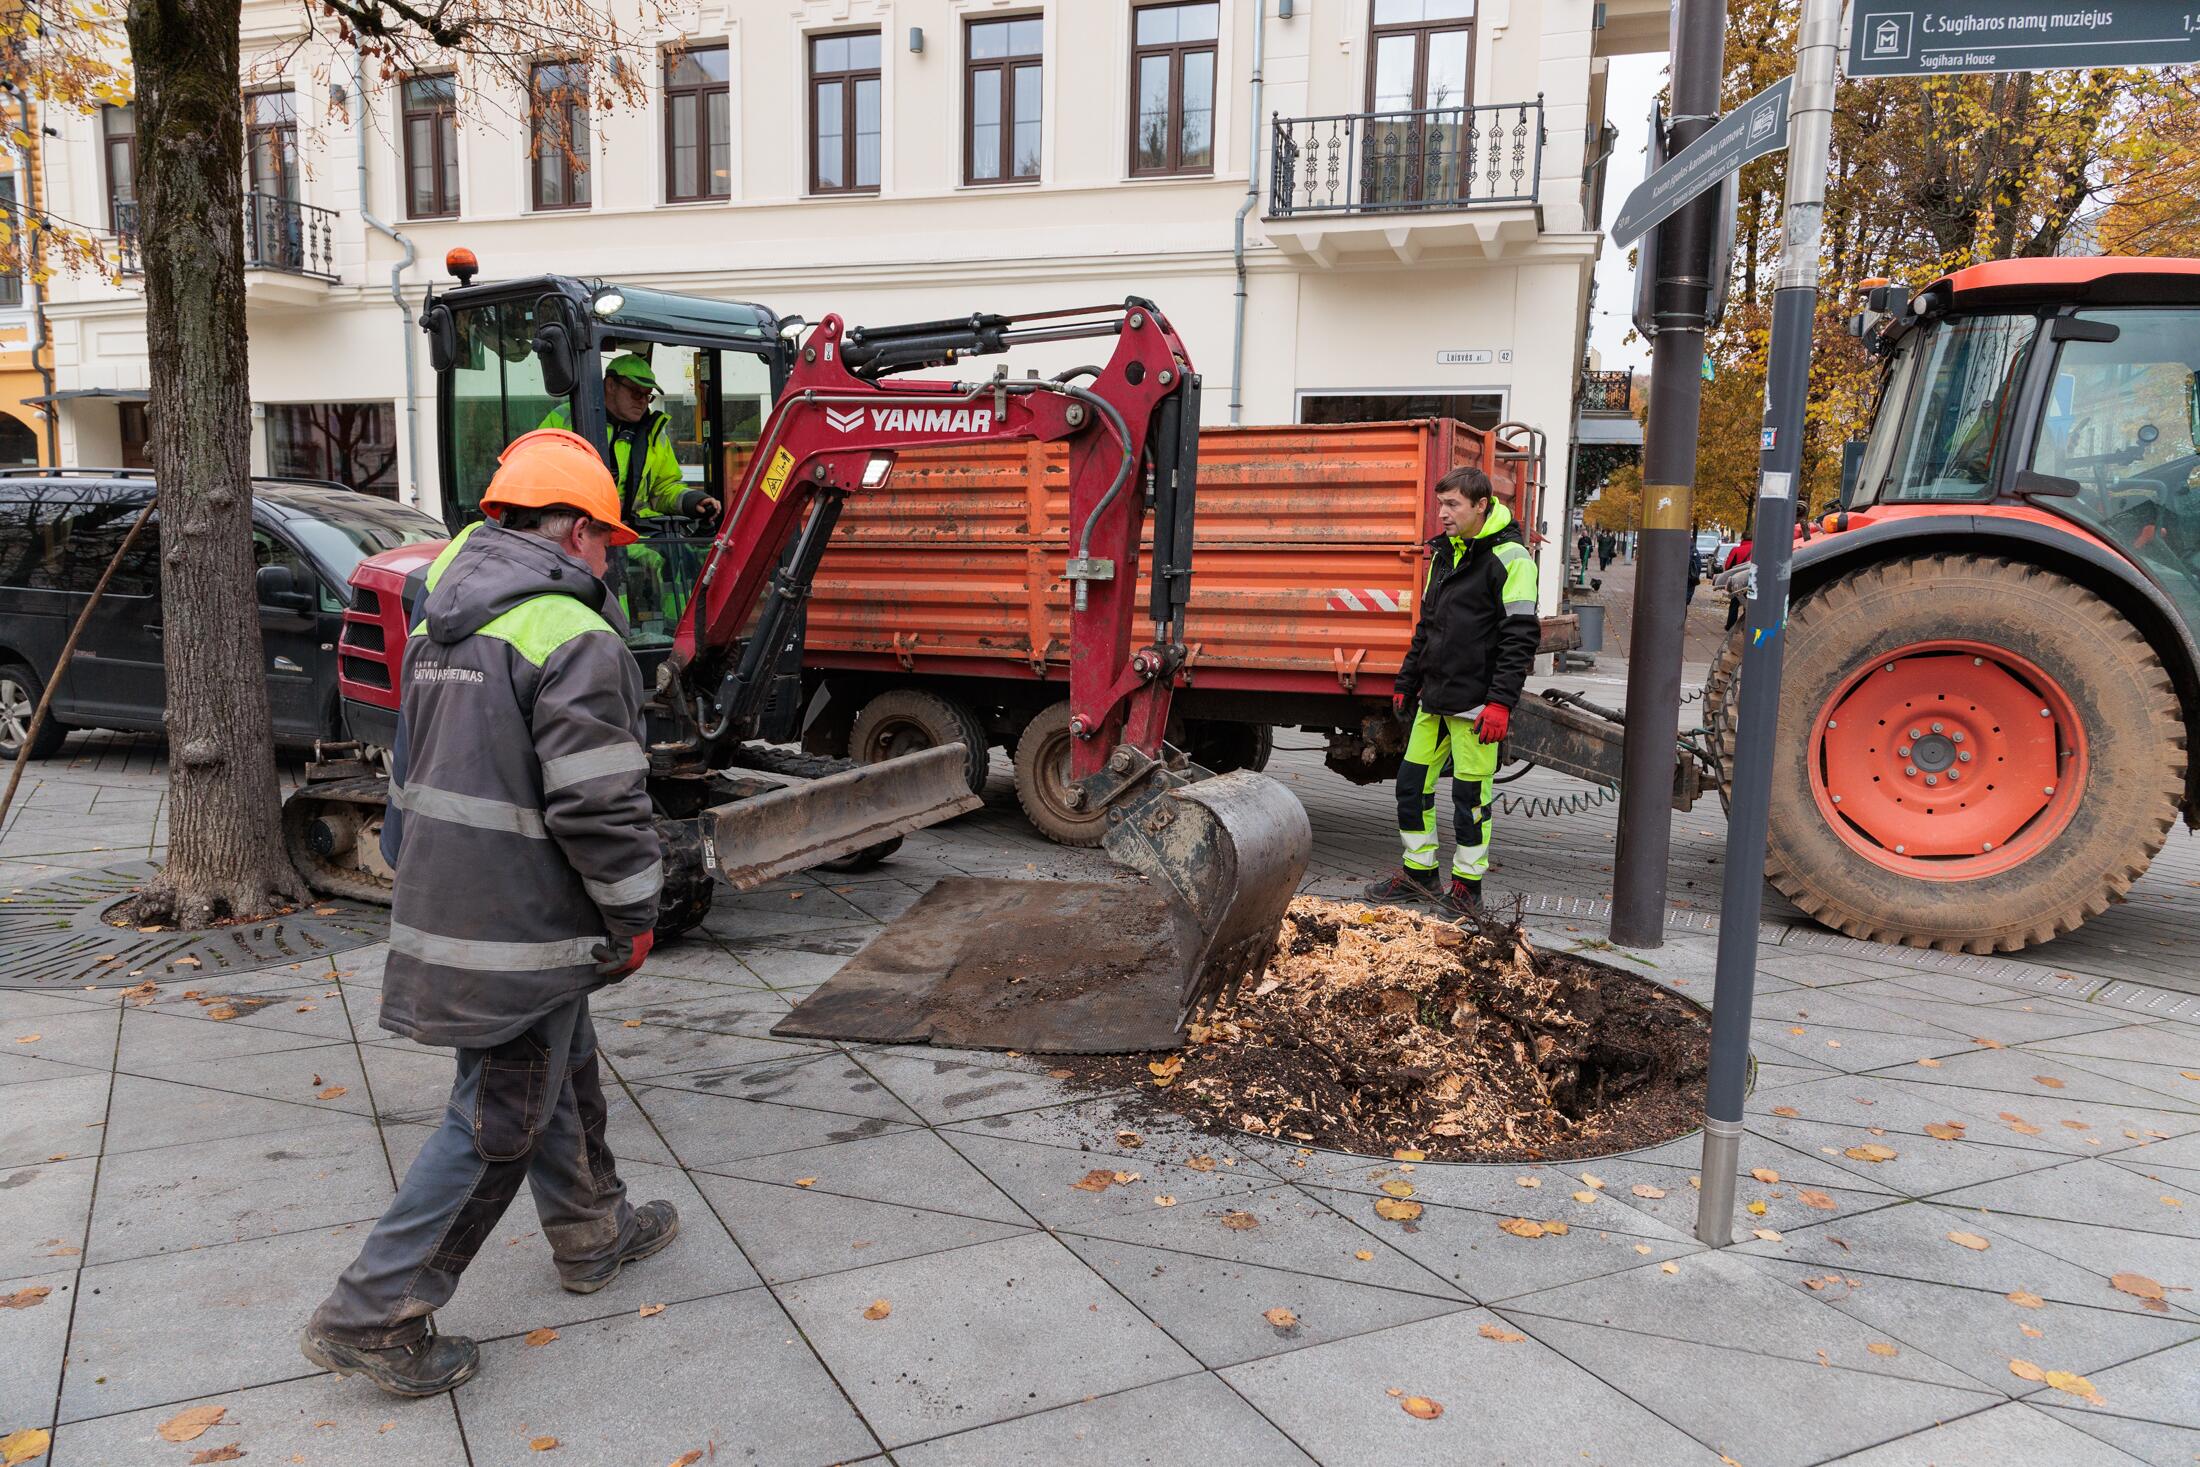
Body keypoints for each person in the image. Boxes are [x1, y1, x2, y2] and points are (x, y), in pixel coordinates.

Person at [302, 429, 677, 1398]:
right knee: (498, 1118)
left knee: (561, 1054)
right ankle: (372, 1313)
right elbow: (599, 800)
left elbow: (413, 768)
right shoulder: (571, 633)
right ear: (572, 531)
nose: (613, 559)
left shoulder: (441, 623)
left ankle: (594, 1229)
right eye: (609, 541)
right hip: (520, 917)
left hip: (457, 902)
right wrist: (639, 908)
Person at [1365, 466, 1540, 916]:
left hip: (1477, 706)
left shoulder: (1511, 558)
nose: (1441, 514)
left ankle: (1466, 889)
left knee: (1469, 800)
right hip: (1435, 701)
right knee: (1410, 787)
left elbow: (1519, 638)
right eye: (1440, 504)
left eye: (1452, 505)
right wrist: (1406, 681)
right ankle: (1420, 877)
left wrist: (1501, 703)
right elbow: (1428, 627)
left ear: (1481, 505)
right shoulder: (1446, 555)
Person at [543, 353, 720, 528]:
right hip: (580, 530)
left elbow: (663, 489)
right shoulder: (566, 420)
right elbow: (543, 479)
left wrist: (691, 500)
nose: (643, 402)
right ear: (611, 385)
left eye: (648, 396)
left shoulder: (654, 435)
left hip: (637, 534)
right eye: (636, 393)